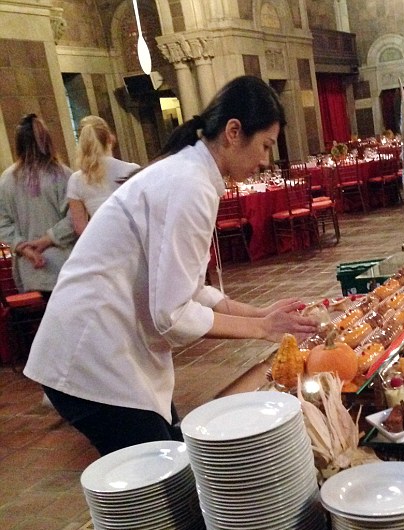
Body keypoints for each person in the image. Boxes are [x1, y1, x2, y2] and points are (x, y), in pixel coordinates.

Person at [24, 76, 318, 456]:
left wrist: (260, 313)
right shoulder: (189, 182)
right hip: (91, 354)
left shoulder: (192, 175)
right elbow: (173, 315)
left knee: (172, 458)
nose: (265, 160)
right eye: (264, 145)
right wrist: (261, 328)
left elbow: (191, 289)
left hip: (107, 347)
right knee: (161, 475)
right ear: (233, 132)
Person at [0, 114, 75, 294]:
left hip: (30, 270)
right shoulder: (63, 175)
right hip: (64, 268)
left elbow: (3, 224)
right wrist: (48, 239)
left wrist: (24, 248)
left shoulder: (6, 180)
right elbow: (75, 219)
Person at [67, 116, 139, 235]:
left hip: (100, 242)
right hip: (132, 240)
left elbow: (80, 228)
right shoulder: (132, 170)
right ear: (110, 139)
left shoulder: (76, 180)